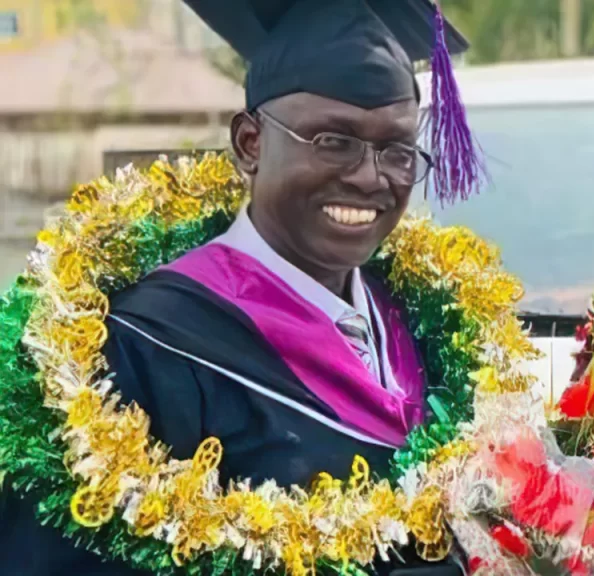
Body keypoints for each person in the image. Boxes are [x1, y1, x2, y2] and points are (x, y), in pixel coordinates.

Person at [0, 0, 475, 574]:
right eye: (334, 141)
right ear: (250, 143)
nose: (371, 177)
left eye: (396, 150)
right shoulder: (141, 349)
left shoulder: (419, 323)